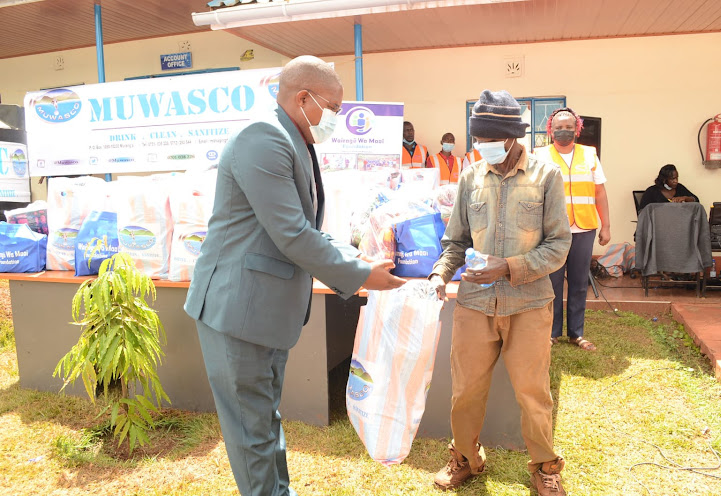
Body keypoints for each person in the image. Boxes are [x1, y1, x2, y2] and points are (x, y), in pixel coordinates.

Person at [184, 55, 406, 496]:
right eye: (334, 108)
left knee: (264, 421)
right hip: (237, 310)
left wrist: (361, 256)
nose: (337, 119)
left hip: (264, 312)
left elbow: (309, 229)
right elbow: (292, 234)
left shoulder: (294, 137)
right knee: (253, 432)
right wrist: (361, 274)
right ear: (303, 97)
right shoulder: (263, 138)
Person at [428, 89, 572, 495]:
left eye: (489, 138)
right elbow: (455, 240)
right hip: (474, 304)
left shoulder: (546, 176)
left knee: (533, 393)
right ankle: (465, 458)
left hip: (528, 303)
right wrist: (441, 274)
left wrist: (508, 266)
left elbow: (560, 245)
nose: (481, 146)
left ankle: (545, 465)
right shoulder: (470, 176)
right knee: (466, 390)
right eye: (477, 138)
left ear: (511, 137)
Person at [534, 107, 610, 351]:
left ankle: (577, 333)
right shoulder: (539, 155)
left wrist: (606, 225)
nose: (563, 131)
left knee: (578, 283)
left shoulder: (589, 155)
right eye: (559, 127)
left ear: (576, 129)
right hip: (552, 231)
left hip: (584, 228)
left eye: (569, 127)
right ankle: (552, 333)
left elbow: (600, 192)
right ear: (551, 130)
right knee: (552, 283)